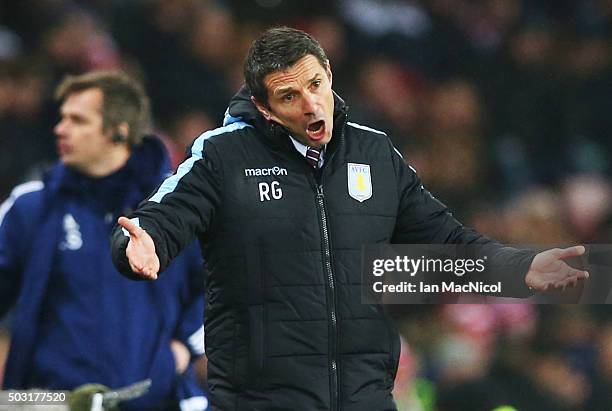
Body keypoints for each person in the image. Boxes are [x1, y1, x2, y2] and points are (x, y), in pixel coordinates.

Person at [111, 27, 588, 410]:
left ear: (330, 74)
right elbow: (164, 214)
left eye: (315, 84)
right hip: (261, 398)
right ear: (263, 107)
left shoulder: (375, 152)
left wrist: (519, 267)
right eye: (289, 96)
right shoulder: (222, 155)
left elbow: (446, 236)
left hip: (365, 395)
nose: (311, 104)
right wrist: (142, 243)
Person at [0, 71, 209, 411]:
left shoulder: (178, 207)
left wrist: (185, 347)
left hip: (159, 401)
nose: (60, 128)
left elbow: (222, 284)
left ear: (118, 131)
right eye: (62, 118)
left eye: (77, 120)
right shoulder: (31, 207)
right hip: (53, 403)